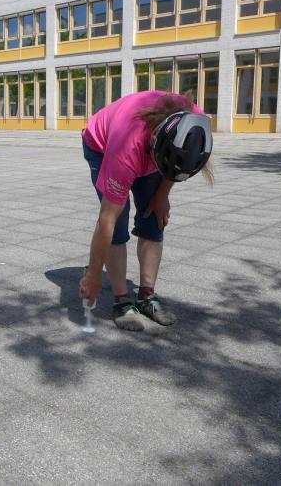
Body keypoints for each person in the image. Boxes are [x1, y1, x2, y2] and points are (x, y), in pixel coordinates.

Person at [79, 90, 213, 331]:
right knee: (118, 224)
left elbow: (176, 166)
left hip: (149, 145)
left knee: (153, 219)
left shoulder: (195, 125)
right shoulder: (127, 146)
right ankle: (122, 300)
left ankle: (146, 296)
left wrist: (162, 195)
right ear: (154, 141)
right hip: (103, 145)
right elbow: (107, 220)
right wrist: (95, 274)